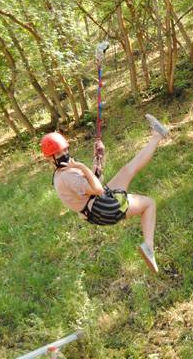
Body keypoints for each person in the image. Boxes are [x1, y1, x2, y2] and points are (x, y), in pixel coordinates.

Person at [41, 114, 169, 273]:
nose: (65, 154)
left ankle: (157, 135)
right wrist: (81, 166)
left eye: (66, 149)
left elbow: (95, 181)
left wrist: (99, 158)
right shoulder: (68, 176)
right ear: (50, 158)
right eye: (60, 153)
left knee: (128, 169)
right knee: (149, 203)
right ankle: (149, 247)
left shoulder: (62, 173)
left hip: (97, 205)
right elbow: (98, 189)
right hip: (104, 207)